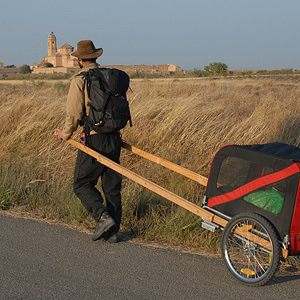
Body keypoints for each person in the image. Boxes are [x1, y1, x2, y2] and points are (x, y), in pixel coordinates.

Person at [55, 40, 122, 243]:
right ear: (95, 57)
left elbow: (74, 113)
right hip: (114, 137)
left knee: (81, 183)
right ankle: (113, 231)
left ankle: (102, 218)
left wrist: (65, 134)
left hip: (94, 138)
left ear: (79, 59)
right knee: (111, 186)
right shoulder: (108, 77)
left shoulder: (80, 79)